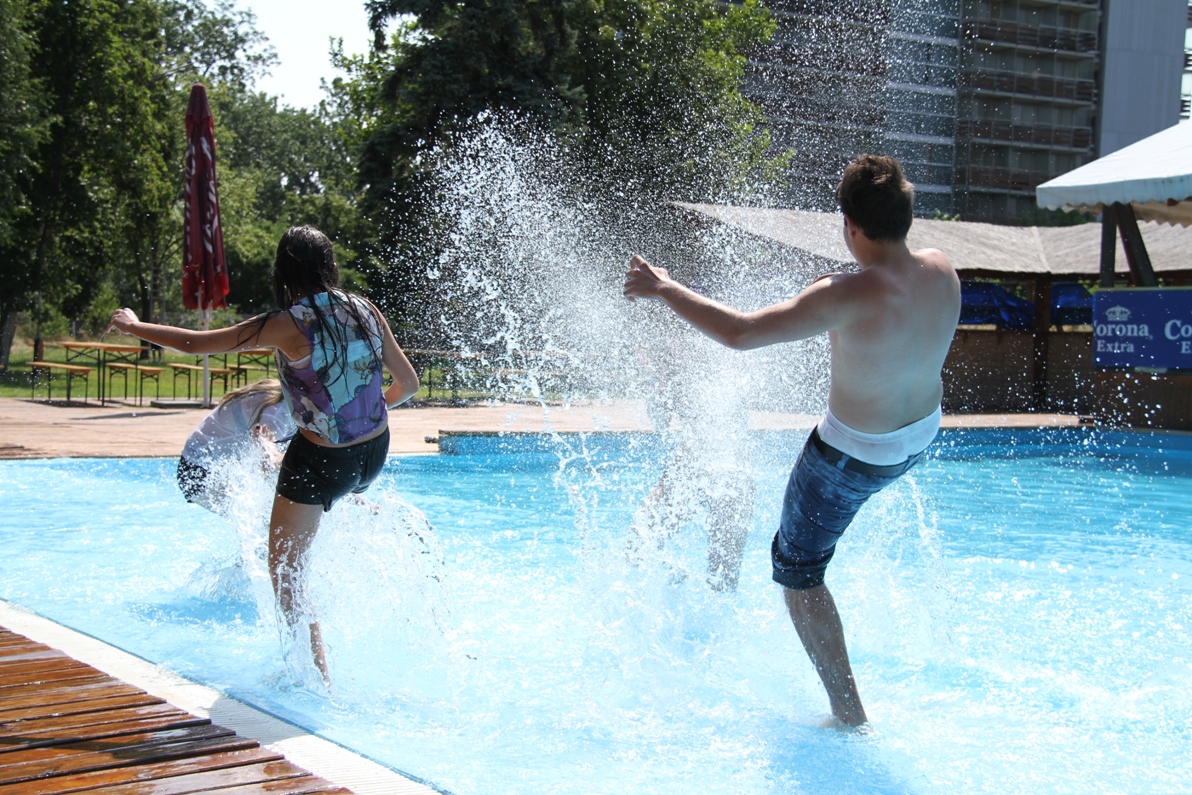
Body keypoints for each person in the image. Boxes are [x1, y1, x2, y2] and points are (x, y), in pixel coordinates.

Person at [623, 154, 960, 727]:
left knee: (799, 573)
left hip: (848, 457)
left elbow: (741, 332)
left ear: (850, 224)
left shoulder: (844, 293)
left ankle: (848, 712)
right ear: (906, 215)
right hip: (918, 438)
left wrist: (664, 287)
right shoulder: (942, 269)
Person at [110, 225, 421, 684]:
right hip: (374, 451)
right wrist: (357, 417)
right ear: (330, 265)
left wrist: (134, 326)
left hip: (321, 463)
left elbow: (197, 344)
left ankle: (313, 677)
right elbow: (408, 384)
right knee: (319, 513)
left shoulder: (286, 323)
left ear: (283, 271)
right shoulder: (365, 309)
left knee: (287, 571)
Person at [177, 379, 295, 513]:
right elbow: (269, 462)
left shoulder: (285, 395)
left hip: (196, 464)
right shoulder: (278, 413)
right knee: (270, 516)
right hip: (199, 474)